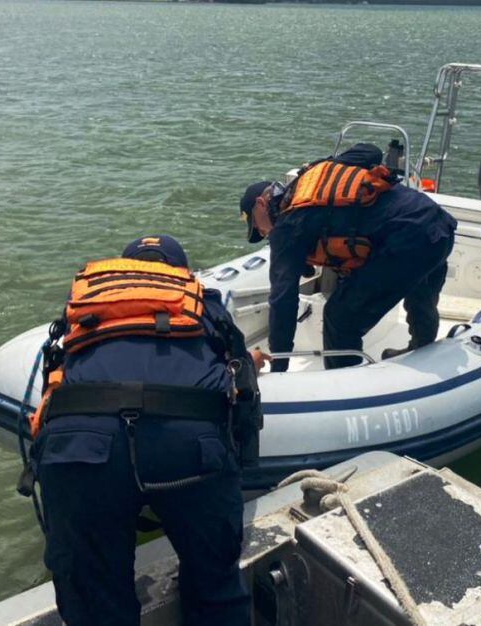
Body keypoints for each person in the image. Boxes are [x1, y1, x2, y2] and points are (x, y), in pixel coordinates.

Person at [23, 235, 261, 626]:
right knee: (215, 584)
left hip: (81, 441)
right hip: (190, 441)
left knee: (95, 598)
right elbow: (240, 383)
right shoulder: (204, 300)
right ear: (181, 272)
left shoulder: (87, 303)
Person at [240, 143, 457, 371]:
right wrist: (329, 161)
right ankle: (421, 346)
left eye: (258, 228)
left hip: (409, 241)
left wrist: (279, 365)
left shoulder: (287, 226)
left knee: (339, 318)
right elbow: (371, 151)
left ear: (261, 204)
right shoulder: (315, 177)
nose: (264, 234)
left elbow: (283, 299)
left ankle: (343, 381)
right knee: (420, 291)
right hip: (437, 224)